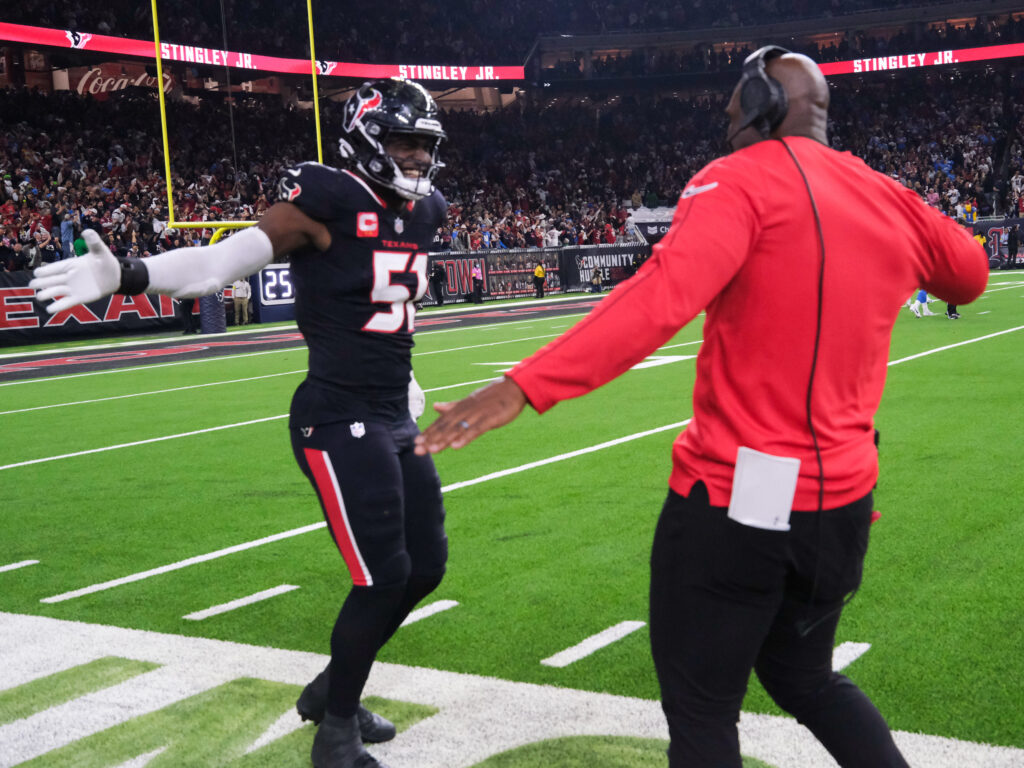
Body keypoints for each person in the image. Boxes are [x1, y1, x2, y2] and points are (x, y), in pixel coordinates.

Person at [414, 48, 987, 768]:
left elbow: (658, 298)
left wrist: (524, 384)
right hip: (841, 505)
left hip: (736, 501)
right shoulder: (884, 193)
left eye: (731, 106)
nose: (724, 119)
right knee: (806, 677)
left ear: (762, 104)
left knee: (702, 708)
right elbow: (968, 274)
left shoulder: (736, 181)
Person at [31, 77, 451, 768]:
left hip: (391, 409)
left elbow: (390, 314)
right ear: (368, 140)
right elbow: (219, 262)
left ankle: (328, 690)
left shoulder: (427, 208)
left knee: (426, 567)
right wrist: (130, 274)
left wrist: (406, 379)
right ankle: (334, 733)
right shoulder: (324, 199)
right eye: (404, 143)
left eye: (423, 146)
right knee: (383, 575)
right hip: (337, 413)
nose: (415, 159)